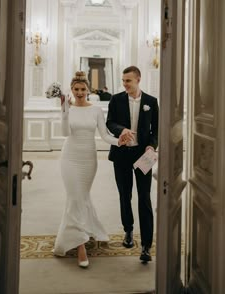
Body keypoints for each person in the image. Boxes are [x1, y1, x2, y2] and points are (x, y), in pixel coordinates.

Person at [53, 71, 126, 268]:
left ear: (88, 90)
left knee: (81, 197)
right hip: (69, 157)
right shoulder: (67, 107)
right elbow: (64, 133)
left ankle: (86, 229)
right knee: (75, 197)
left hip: (88, 159)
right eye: (76, 89)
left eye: (82, 89)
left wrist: (119, 141)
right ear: (71, 89)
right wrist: (64, 111)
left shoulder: (95, 110)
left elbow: (105, 135)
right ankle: (80, 245)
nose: (79, 92)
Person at [106, 66, 159, 263]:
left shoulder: (151, 102)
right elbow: (109, 123)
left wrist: (151, 147)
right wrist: (122, 130)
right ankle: (128, 230)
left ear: (138, 79)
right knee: (124, 195)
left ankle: (146, 244)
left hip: (143, 156)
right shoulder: (116, 99)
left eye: (128, 80)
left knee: (144, 198)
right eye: (123, 80)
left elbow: (156, 130)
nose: (125, 84)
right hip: (121, 155)